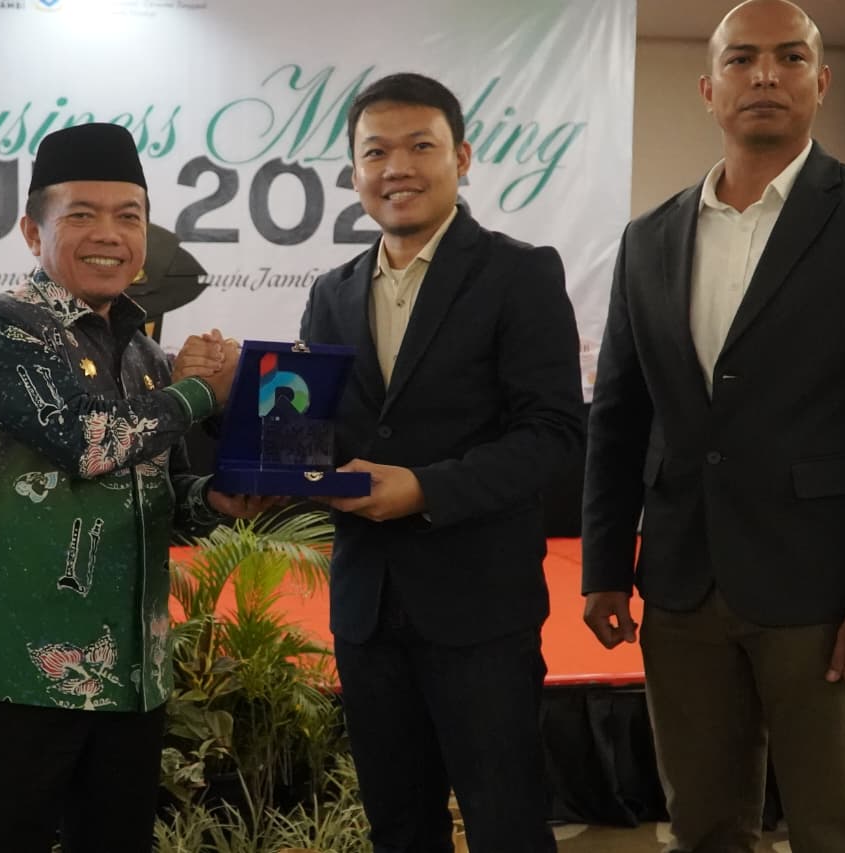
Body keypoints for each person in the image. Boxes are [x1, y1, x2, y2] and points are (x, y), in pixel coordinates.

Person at [581, 2, 845, 850]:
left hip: (823, 590)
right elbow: (618, 415)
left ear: (821, 81)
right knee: (701, 826)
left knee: (834, 829)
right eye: (740, 59)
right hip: (681, 584)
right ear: (709, 88)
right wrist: (603, 568)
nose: (764, 74)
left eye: (789, 57)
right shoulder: (648, 238)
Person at [0, 122, 268, 853]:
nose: (108, 234)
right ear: (33, 231)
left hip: (130, 676)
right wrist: (200, 392)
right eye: (81, 214)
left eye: (129, 216)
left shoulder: (145, 352)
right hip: (13, 671)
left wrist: (212, 499)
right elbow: (91, 442)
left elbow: (156, 491)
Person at [300, 72, 584, 853]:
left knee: (506, 824)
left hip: (480, 606)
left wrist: (427, 488)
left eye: (420, 146)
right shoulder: (331, 292)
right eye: (375, 152)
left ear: (461, 157)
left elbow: (555, 433)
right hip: (365, 607)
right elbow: (315, 438)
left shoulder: (520, 273)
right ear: (353, 171)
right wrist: (245, 422)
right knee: (398, 826)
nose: (397, 167)